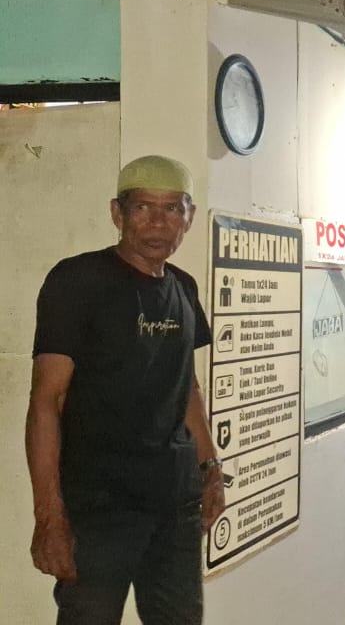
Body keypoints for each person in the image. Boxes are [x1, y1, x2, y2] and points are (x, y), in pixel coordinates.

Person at [25, 155, 225, 624]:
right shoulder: (77, 281)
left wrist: (210, 468)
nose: (158, 222)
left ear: (189, 217)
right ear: (117, 214)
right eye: (143, 208)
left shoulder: (184, 288)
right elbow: (46, 401)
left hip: (175, 504)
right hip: (98, 509)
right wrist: (49, 517)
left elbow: (187, 388)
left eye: (172, 208)